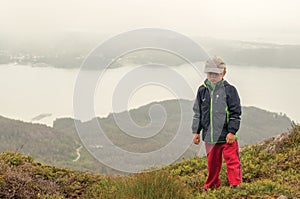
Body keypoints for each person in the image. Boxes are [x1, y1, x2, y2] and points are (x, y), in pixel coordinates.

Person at [192, 55, 242, 190]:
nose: (213, 76)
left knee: (232, 160)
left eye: (216, 73)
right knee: (212, 163)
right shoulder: (202, 91)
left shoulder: (230, 90)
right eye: (210, 73)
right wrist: (196, 131)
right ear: (206, 73)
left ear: (224, 72)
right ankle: (212, 185)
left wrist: (232, 131)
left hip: (227, 136)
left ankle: (235, 185)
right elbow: (198, 113)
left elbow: (235, 113)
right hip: (210, 137)